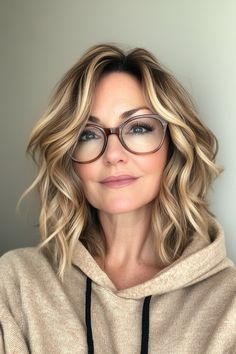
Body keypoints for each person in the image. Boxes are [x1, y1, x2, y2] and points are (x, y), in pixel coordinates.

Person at [0, 43, 235, 354]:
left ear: (173, 146)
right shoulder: (16, 282)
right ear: (70, 158)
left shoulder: (229, 302)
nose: (113, 155)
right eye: (88, 133)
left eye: (138, 127)